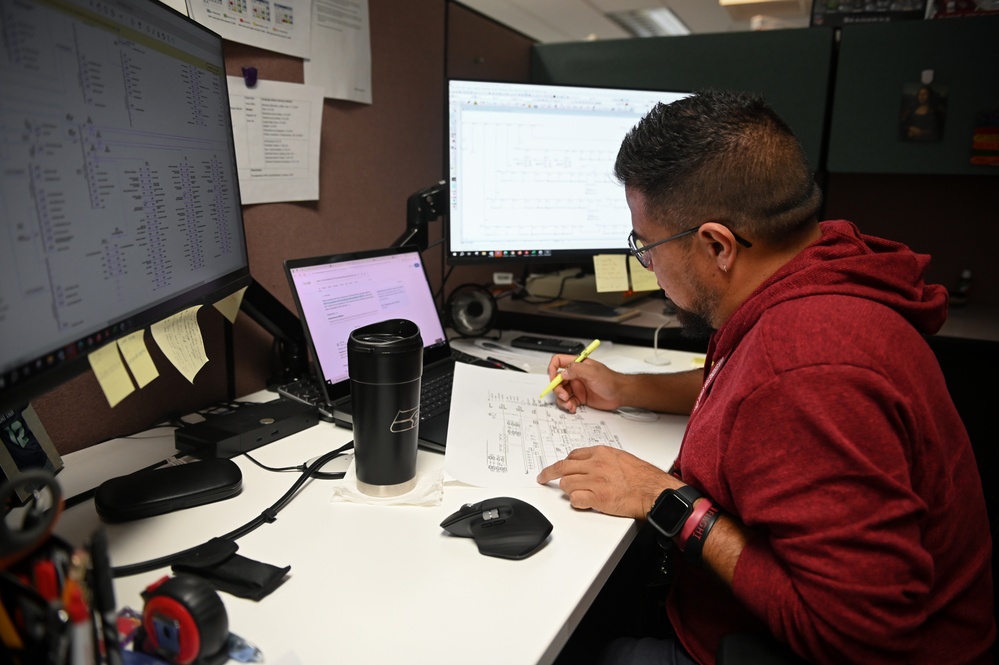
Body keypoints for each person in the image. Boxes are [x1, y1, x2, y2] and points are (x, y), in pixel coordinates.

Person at [536, 90, 994, 664]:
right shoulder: (819, 268)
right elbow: (738, 386)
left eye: (647, 247)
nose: (646, 264)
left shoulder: (808, 367)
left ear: (717, 246)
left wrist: (664, 498)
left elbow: (860, 638)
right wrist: (626, 387)